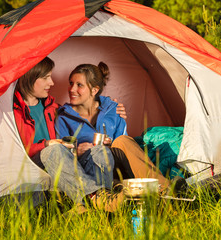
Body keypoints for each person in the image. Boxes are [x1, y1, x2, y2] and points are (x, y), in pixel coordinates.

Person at [51, 62, 172, 212]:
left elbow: (123, 143)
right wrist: (78, 149)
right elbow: (61, 154)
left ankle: (165, 189)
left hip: (114, 164)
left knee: (121, 140)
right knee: (99, 153)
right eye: (71, 83)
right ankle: (121, 195)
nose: (72, 89)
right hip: (87, 167)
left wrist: (110, 144)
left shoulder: (113, 110)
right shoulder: (63, 117)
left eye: (79, 85)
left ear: (94, 90)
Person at [13, 57, 127, 213]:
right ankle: (96, 197)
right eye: (46, 77)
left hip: (62, 163)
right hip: (34, 164)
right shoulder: (12, 112)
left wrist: (113, 108)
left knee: (100, 151)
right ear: (30, 77)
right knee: (53, 150)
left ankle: (96, 206)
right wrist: (46, 144)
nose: (52, 83)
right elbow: (13, 154)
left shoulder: (53, 108)